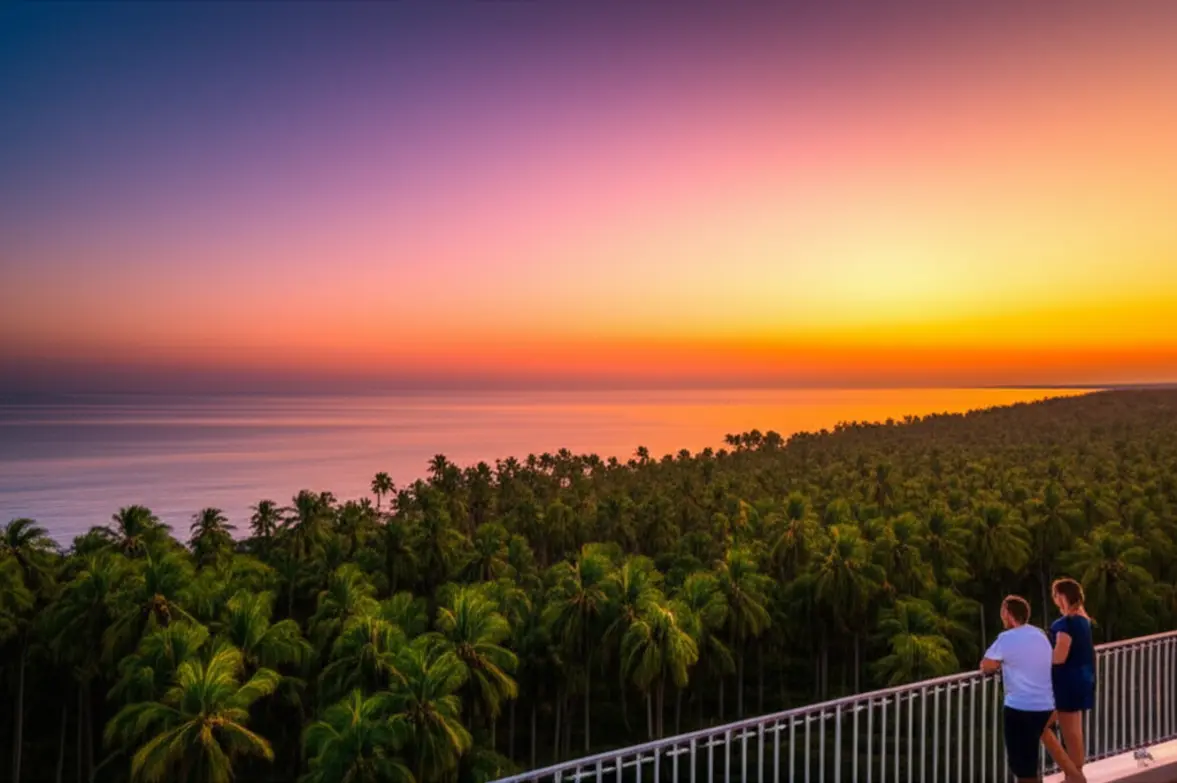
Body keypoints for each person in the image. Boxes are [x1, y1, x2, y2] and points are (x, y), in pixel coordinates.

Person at [981, 595, 1085, 783]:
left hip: (1020, 709)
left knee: (1025, 769)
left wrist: (1001, 663)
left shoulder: (1006, 638)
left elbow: (986, 665)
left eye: (1003, 613)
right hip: (1046, 706)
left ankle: (1076, 777)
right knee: (1038, 753)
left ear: (1008, 613)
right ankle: (1076, 777)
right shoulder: (1039, 634)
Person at [1047, 577, 1096, 774]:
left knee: (1049, 727)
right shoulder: (1083, 620)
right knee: (1074, 730)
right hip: (1083, 678)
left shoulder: (1065, 624)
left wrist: (1039, 659)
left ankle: (1073, 773)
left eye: (1056, 595)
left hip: (1066, 681)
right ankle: (1076, 771)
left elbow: (1059, 656)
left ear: (1062, 596)